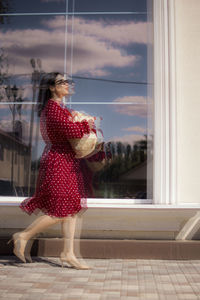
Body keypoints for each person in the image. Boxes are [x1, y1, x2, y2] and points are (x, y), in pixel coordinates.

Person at [8, 72, 104, 269]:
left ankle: (68, 253)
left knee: (72, 210)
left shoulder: (62, 109)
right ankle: (23, 235)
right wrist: (87, 123)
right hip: (58, 161)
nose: (68, 85)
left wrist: (83, 123)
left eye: (68, 81)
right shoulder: (52, 109)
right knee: (61, 210)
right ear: (52, 87)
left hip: (67, 161)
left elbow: (76, 131)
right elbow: (72, 132)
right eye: (62, 82)